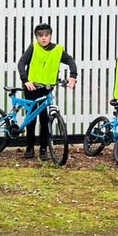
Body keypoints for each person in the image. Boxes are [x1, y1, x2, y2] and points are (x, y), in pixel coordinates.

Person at [16, 22, 78, 159]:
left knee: (45, 119)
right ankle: (30, 147)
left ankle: (43, 148)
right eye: (40, 35)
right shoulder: (33, 47)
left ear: (51, 36)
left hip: (47, 89)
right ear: (36, 37)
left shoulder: (58, 49)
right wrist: (25, 80)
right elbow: (21, 63)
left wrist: (73, 76)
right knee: (31, 119)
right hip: (32, 88)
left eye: (46, 35)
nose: (43, 38)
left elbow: (70, 61)